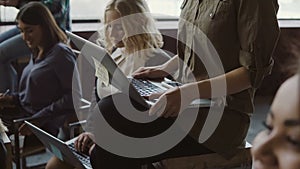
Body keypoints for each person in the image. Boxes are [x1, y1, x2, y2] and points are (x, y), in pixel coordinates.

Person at [87, 0, 280, 168]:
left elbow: (251, 74)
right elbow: (194, 50)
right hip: (185, 103)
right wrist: (165, 69)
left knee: (108, 114)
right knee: (107, 133)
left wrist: (189, 93)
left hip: (219, 118)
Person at [45, 0, 170, 168]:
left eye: (119, 27)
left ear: (136, 23)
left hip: (131, 140)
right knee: (54, 165)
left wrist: (106, 138)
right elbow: (95, 99)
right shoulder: (112, 55)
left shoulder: (157, 61)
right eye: (109, 26)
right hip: (100, 135)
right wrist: (90, 131)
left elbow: (152, 118)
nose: (111, 34)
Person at [0, 2, 80, 137]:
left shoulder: (61, 54)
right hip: (26, 116)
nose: (24, 37)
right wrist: (11, 99)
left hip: (41, 125)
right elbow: (35, 96)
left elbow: (73, 97)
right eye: (21, 31)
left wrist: (38, 120)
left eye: (30, 30)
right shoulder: (37, 50)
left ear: (45, 27)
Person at [0, 0, 71, 93]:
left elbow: (51, 8)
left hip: (52, 29)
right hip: (31, 26)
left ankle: (9, 98)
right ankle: (10, 96)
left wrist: (19, 3)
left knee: (1, 53)